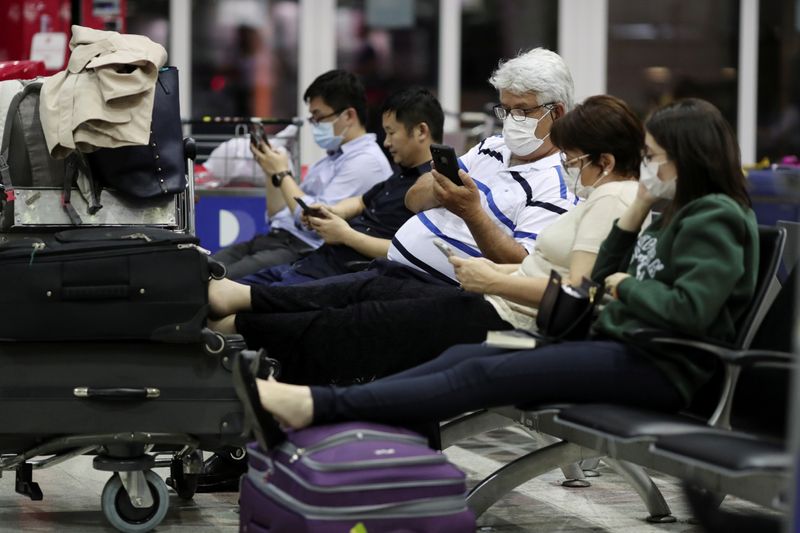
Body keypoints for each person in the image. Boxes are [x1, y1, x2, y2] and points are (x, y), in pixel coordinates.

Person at [230, 98, 760, 451]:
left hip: (660, 368)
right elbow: (615, 264)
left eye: (653, 160)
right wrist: (640, 205)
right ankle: (320, 408)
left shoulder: (715, 216)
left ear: (686, 159)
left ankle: (314, 405)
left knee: (478, 372)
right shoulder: (668, 212)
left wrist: (622, 287)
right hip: (617, 345)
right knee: (466, 357)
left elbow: (685, 309)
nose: (645, 169)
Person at [206, 94, 645, 386]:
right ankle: (243, 300)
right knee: (371, 288)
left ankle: (246, 327)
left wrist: (492, 277)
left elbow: (576, 296)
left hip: (511, 318)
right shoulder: (596, 194)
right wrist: (495, 271)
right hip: (490, 294)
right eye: (506, 108)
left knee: (366, 319)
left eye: (574, 158)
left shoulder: (608, 200)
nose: (568, 165)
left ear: (603, 160)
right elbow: (550, 271)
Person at [239, 87, 444, 286]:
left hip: (343, 275)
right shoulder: (398, 176)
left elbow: (406, 251)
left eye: (391, 133)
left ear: (420, 131)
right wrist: (331, 211)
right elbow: (360, 202)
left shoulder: (434, 190)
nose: (387, 142)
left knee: (231, 301)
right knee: (224, 290)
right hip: (316, 261)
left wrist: (346, 235)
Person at [211, 69, 392, 280]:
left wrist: (282, 172)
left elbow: (315, 221)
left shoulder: (367, 162)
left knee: (220, 282)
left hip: (304, 250)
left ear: (349, 116)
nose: (314, 125)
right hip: (278, 239)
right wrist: (271, 172)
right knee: (203, 268)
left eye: (318, 117)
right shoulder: (328, 160)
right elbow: (277, 214)